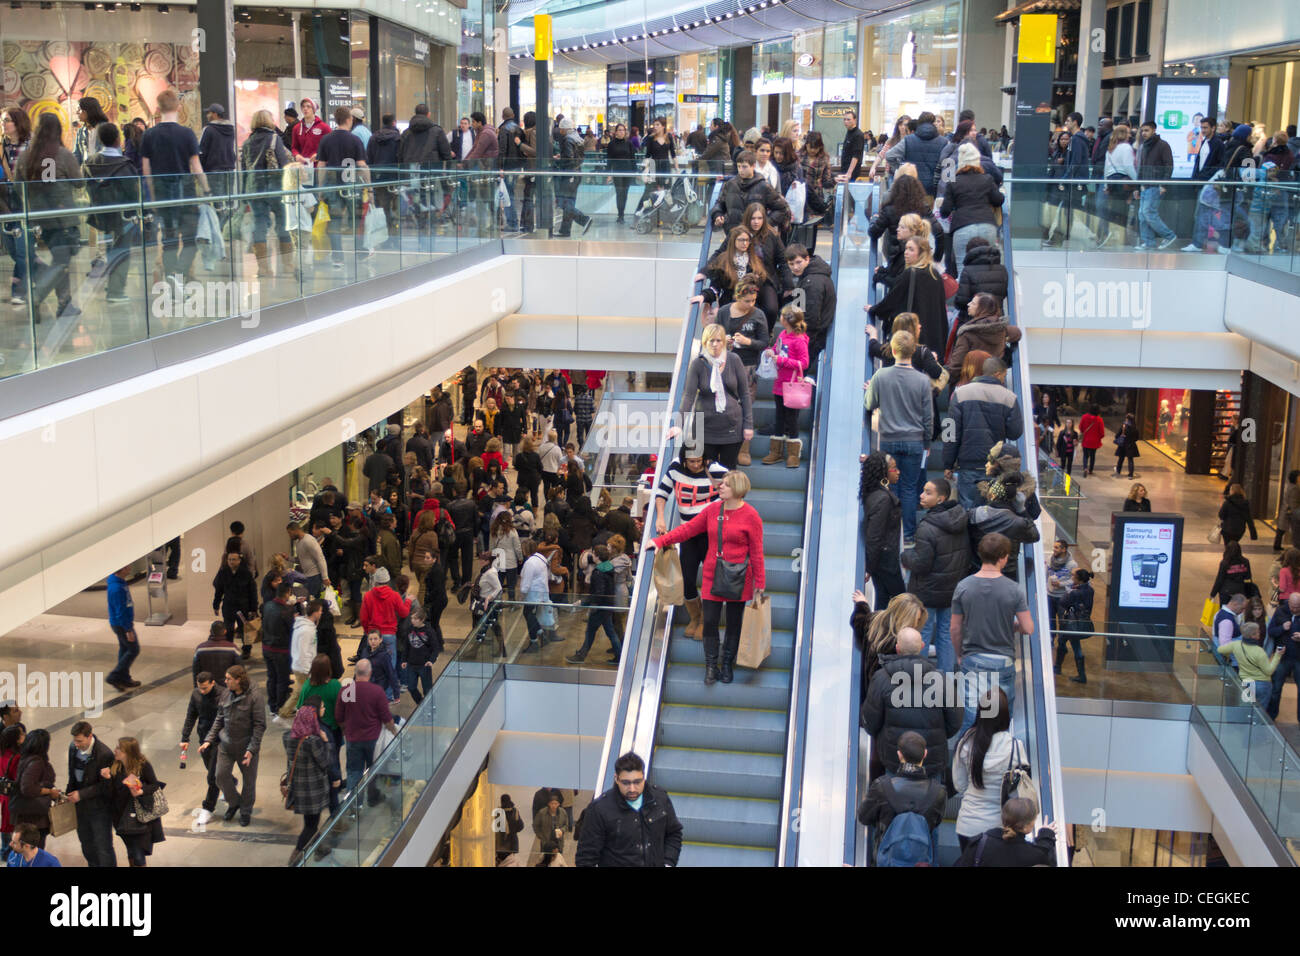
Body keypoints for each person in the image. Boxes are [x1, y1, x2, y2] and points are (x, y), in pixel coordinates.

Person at [650, 470, 764, 685]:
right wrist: (661, 541)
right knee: (710, 622)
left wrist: (760, 582)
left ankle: (727, 663)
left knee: (734, 623)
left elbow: (757, 552)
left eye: (726, 484)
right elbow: (688, 529)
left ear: (738, 488)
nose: (720, 486)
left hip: (739, 577)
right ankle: (711, 665)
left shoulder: (751, 516)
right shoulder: (712, 510)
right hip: (713, 574)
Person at [952, 533, 1034, 739]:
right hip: (1003, 661)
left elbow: (955, 628)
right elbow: (1028, 628)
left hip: (972, 658)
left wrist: (959, 655)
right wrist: (1011, 626)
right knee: (1000, 720)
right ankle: (996, 755)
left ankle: (965, 754)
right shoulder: (1014, 590)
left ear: (981, 554)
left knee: (970, 718)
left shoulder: (963, 586)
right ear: (1004, 557)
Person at [862, 627, 962, 781]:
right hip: (931, 760)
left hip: (895, 759)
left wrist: (885, 738)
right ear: (922, 646)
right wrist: (938, 735)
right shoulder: (941, 680)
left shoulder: (881, 678)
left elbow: (870, 721)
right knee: (933, 795)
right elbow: (955, 720)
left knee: (894, 793)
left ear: (897, 648)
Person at [864, 331, 933, 540]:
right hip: (914, 441)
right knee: (910, 489)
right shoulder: (923, 380)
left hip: (888, 440)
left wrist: (870, 390)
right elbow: (928, 417)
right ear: (913, 351)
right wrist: (927, 442)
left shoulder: (881, 375)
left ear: (893, 351)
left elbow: (869, 403)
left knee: (889, 487)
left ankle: (891, 533)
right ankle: (909, 535)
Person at [16, 113, 83, 321]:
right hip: (63, 217)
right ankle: (37, 296)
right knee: (61, 262)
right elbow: (79, 182)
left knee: (60, 260)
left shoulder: (25, 156)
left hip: (40, 218)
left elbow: (18, 186)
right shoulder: (62, 154)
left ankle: (65, 303)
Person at [140, 89, 208, 283]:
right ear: (178, 107)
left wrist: (152, 195)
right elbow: (196, 166)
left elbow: (146, 170)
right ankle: (179, 274)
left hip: (162, 192)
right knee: (191, 239)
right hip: (185, 192)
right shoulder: (187, 134)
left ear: (158, 108)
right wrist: (207, 189)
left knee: (169, 239)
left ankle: (172, 277)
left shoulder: (149, 135)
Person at [902, 477, 968, 672]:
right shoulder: (962, 519)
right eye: (923, 490)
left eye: (928, 492)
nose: (921, 495)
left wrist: (905, 557)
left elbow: (921, 563)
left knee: (922, 631)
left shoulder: (927, 526)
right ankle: (946, 676)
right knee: (947, 633)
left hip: (927, 590)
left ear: (941, 498)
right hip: (952, 589)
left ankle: (920, 676)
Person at [576, 751, 683, 867]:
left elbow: (674, 833)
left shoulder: (660, 798)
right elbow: (585, 857)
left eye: (637, 782)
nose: (632, 789)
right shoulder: (599, 809)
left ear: (644, 777)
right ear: (616, 779)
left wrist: (668, 863)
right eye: (626, 783)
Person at [856, 730, 946, 865]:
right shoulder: (938, 792)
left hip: (886, 861)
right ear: (925, 754)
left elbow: (863, 817)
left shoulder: (882, 787)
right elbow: (936, 822)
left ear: (899, 755)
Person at [944, 357, 1023, 511]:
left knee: (967, 510)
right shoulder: (1009, 397)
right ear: (997, 374)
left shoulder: (960, 394)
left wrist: (948, 463)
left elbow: (949, 433)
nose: (1004, 380)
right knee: (993, 509)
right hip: (995, 465)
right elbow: (1015, 433)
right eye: (1004, 376)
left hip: (967, 464)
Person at [679, 323, 754, 469]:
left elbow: (745, 395)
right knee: (706, 471)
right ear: (705, 342)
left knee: (728, 471)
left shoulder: (734, 360)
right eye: (711, 340)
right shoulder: (698, 364)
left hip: (732, 426)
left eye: (718, 340)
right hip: (704, 428)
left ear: (724, 342)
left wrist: (748, 425)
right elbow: (688, 396)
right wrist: (678, 424)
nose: (715, 344)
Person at [200, 664, 266, 827]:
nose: (225, 681)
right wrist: (209, 739)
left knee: (249, 782)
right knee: (220, 776)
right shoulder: (226, 694)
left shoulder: (255, 697)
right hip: (226, 745)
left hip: (246, 748)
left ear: (238, 680)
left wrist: (252, 749)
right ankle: (235, 802)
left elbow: (259, 725)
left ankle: (245, 811)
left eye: (228, 678)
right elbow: (219, 718)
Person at [952, 689, 1014, 851]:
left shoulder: (966, 742)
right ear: (1005, 715)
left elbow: (959, 785)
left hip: (967, 825)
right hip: (999, 828)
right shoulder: (1014, 747)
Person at [283, 699, 341, 866]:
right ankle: (295, 859)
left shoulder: (287, 737)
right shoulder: (313, 741)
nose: (324, 709)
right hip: (313, 790)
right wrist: (326, 742)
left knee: (310, 821)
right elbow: (325, 762)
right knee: (311, 825)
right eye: (322, 707)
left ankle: (320, 848)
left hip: (298, 788)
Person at [867, 236, 948, 354]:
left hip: (913, 336)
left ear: (921, 253)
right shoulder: (935, 274)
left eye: (911, 249)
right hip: (933, 338)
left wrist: (874, 309)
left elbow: (892, 300)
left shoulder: (910, 273)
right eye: (906, 249)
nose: (906, 253)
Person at [334, 658, 398, 805]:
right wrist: (394, 731)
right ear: (370, 673)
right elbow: (386, 718)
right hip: (373, 739)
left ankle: (354, 805)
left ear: (355, 672)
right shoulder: (377, 691)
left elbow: (338, 717)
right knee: (373, 770)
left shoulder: (346, 691)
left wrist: (346, 730)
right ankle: (373, 798)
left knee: (353, 772)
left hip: (353, 738)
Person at [314, 107, 369, 271]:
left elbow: (321, 166)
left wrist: (320, 189)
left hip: (332, 186)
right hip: (352, 186)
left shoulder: (326, 140)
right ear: (349, 119)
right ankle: (360, 252)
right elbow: (362, 165)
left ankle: (337, 258)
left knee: (335, 223)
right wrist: (369, 187)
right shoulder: (355, 140)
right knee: (356, 220)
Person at [939, 142, 1004, 271]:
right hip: (987, 225)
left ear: (961, 161)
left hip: (962, 226)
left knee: (962, 269)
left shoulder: (953, 183)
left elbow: (945, 211)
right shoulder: (987, 179)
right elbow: (998, 200)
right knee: (988, 268)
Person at [760, 304, 810, 468]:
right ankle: (776, 452)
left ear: (786, 320)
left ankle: (793, 454)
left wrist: (782, 360)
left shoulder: (799, 340)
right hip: (779, 383)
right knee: (779, 417)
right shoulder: (782, 334)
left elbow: (804, 362)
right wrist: (772, 352)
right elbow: (777, 348)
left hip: (792, 386)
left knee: (792, 419)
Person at [104, 737, 165, 867]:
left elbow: (154, 785)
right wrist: (108, 779)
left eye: (119, 748)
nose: (115, 750)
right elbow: (110, 792)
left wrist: (141, 791)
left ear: (128, 752)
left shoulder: (142, 765)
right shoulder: (115, 766)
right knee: (131, 850)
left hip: (138, 815)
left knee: (137, 852)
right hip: (120, 815)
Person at [62, 722, 117, 867]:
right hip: (80, 807)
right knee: (86, 844)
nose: (76, 744)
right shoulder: (73, 748)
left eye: (80, 741)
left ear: (90, 736)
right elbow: (72, 775)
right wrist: (67, 795)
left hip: (99, 809)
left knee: (103, 846)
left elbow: (105, 786)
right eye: (75, 740)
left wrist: (81, 794)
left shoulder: (104, 754)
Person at [860, 451, 905, 610]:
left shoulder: (873, 493)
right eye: (894, 468)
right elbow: (875, 535)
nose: (898, 472)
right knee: (902, 603)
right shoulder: (883, 499)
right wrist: (869, 568)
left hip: (880, 561)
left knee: (883, 600)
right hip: (886, 561)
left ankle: (878, 626)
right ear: (883, 472)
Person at [955, 797, 1056, 867]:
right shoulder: (1033, 855)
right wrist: (1046, 835)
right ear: (1026, 827)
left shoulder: (980, 843)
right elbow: (1044, 856)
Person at [711, 149, 790, 234]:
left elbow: (782, 208)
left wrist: (764, 224)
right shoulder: (730, 185)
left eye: (744, 167)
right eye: (739, 166)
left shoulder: (763, 186)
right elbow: (719, 204)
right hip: (733, 234)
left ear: (753, 166)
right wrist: (718, 215)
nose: (741, 170)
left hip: (756, 236)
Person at [181, 671, 222, 826]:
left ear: (213, 683)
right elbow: (191, 715)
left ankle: (208, 809)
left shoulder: (224, 695)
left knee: (212, 777)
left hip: (219, 740)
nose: (202, 691)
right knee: (212, 770)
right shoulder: (196, 694)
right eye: (200, 688)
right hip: (203, 738)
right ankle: (230, 781)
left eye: (205, 688)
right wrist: (185, 737)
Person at [784, 243, 837, 367]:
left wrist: (798, 341)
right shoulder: (810, 276)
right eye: (791, 264)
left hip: (810, 338)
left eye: (798, 262)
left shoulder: (812, 282)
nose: (795, 267)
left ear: (807, 259)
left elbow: (811, 318)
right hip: (808, 335)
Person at [947, 294, 1020, 381]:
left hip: (969, 381)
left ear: (982, 309)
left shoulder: (968, 334)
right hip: (994, 380)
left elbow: (957, 365)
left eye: (973, 303)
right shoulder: (1001, 329)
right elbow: (1017, 333)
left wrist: (950, 378)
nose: (968, 304)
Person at [1218, 622, 1283, 712]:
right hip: (1262, 684)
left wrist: (1229, 655)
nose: (1259, 633)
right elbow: (1269, 671)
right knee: (1259, 713)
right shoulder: (1259, 651)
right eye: (1257, 632)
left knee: (1246, 711)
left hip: (1246, 682)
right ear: (1253, 636)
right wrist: (1278, 655)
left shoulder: (1236, 645)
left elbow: (1220, 650)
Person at [1135, 121, 1179, 250]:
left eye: (1147, 130)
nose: (1144, 133)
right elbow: (1141, 167)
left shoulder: (1163, 145)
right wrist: (1138, 186)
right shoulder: (1144, 146)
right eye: (1142, 131)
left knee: (1148, 213)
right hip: (1145, 185)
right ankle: (1149, 242)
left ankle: (1169, 236)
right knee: (1142, 215)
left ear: (1154, 130)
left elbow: (1169, 165)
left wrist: (1163, 184)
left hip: (1155, 185)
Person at [212, 550, 258, 658]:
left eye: (234, 559)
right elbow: (219, 591)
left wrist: (253, 609)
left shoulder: (246, 573)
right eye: (229, 559)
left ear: (239, 560)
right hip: (228, 607)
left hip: (243, 608)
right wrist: (216, 605)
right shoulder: (223, 573)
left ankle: (246, 650)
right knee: (228, 630)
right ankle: (229, 649)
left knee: (245, 630)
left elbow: (252, 592)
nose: (231, 562)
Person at [1055, 568, 1095, 683]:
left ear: (1079, 579)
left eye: (1073, 576)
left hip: (1072, 624)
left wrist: (1070, 591)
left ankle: (1079, 675)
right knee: (1065, 641)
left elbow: (1063, 602)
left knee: (1072, 645)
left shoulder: (1075, 593)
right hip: (1083, 622)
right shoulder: (1090, 590)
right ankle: (1060, 668)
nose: (1072, 577)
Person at [105, 566, 141, 692]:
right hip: (121, 624)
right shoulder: (117, 588)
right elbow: (120, 612)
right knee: (134, 649)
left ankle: (124, 678)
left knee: (125, 649)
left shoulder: (119, 582)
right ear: (121, 570)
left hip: (121, 623)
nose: (130, 568)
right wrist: (128, 630)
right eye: (127, 567)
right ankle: (114, 676)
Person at [554, 117, 592, 236]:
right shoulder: (578, 138)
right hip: (577, 173)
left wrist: (558, 160)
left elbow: (569, 160)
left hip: (569, 174)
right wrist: (563, 156)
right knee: (570, 202)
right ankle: (565, 230)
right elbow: (577, 157)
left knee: (563, 202)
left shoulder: (567, 139)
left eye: (561, 129)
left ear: (565, 129)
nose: (560, 131)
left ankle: (584, 219)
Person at [952, 238, 1009, 316]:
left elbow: (961, 301)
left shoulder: (967, 270)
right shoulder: (1002, 270)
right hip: (996, 317)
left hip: (974, 318)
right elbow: (1004, 294)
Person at [1267, 593, 1300, 721]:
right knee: (1276, 687)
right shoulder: (1281, 611)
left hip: (1298, 658)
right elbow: (1271, 631)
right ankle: (1271, 716)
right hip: (1282, 657)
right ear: (1288, 603)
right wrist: (1282, 628)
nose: (1294, 609)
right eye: (1293, 606)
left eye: (1298, 607)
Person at [290, 97, 330, 163]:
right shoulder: (296, 128)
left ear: (313, 110)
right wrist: (296, 155)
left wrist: (320, 155)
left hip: (319, 165)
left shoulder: (324, 127)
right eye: (303, 107)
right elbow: (294, 147)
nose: (305, 109)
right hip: (303, 165)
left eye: (308, 106)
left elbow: (330, 146)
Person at [1274, 471, 1300, 551]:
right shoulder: (1295, 488)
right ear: (1296, 478)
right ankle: (1278, 545)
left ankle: (1277, 545)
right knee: (1291, 530)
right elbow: (1293, 502)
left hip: (1286, 510)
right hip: (1291, 512)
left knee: (1281, 529)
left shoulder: (1289, 486)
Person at [1079, 404, 1105, 477]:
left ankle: (1085, 468)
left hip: (1086, 440)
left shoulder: (1084, 417)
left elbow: (1080, 427)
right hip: (1095, 441)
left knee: (1085, 455)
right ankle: (1090, 470)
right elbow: (1102, 433)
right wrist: (1099, 438)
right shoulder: (1099, 419)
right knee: (1093, 456)